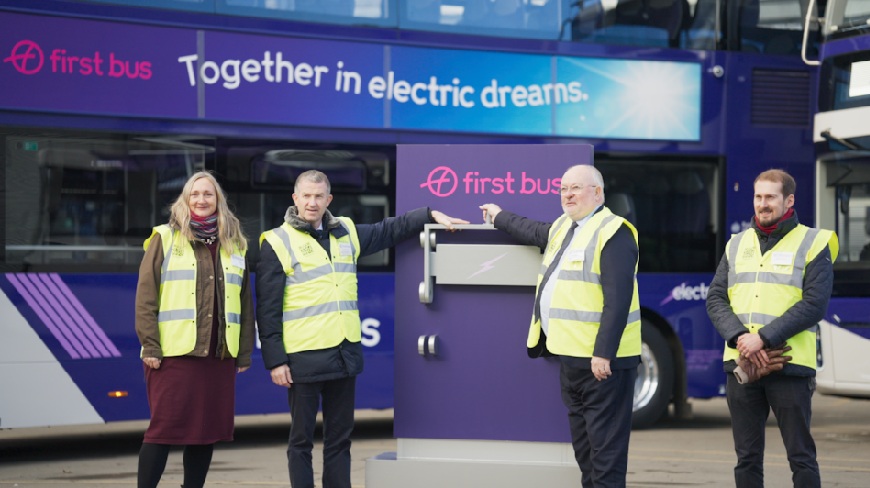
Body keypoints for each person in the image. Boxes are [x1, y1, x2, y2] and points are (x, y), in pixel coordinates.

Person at [256, 169, 468, 488]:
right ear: (295, 199)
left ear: (329, 199)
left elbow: (388, 230)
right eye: (306, 196)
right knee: (301, 441)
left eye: (319, 196)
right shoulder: (277, 241)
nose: (312, 202)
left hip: (344, 354)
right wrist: (276, 360)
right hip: (303, 358)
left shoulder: (347, 231)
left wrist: (427, 214)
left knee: (340, 441)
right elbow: (268, 307)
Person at [480, 164, 641, 488]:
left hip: (603, 366)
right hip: (571, 360)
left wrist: (603, 353)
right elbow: (531, 230)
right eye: (563, 189)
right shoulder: (563, 228)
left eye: (576, 188)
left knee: (606, 458)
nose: (568, 194)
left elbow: (618, 299)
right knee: (586, 456)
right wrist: (498, 216)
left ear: (597, 192)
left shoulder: (614, 232)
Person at [706, 169, 838, 488]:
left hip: (789, 364)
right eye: (758, 197)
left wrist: (763, 338)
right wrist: (740, 338)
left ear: (788, 200)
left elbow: (814, 304)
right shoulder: (737, 243)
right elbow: (715, 297)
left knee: (801, 457)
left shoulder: (814, 242)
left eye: (770, 197)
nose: (762, 204)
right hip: (742, 364)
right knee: (747, 459)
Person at [135, 171, 256, 488]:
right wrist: (150, 345)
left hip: (218, 356)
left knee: (206, 433)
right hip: (175, 355)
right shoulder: (165, 237)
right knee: (162, 431)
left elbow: (244, 303)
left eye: (208, 194)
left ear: (219, 201)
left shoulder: (235, 244)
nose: (201, 200)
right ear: (185, 200)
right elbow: (146, 297)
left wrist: (242, 353)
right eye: (195, 194)